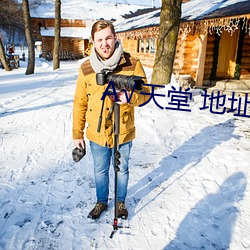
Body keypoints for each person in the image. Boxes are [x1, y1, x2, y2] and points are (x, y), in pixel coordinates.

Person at [72, 20, 150, 220]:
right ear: (93, 42)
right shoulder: (86, 68)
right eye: (99, 40)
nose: (104, 43)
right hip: (97, 133)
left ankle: (121, 202)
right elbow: (80, 102)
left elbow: (147, 94)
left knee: (122, 169)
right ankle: (101, 202)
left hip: (123, 130)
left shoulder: (132, 64)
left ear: (115, 38)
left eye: (108, 38)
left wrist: (129, 97)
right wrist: (77, 134)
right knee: (100, 170)